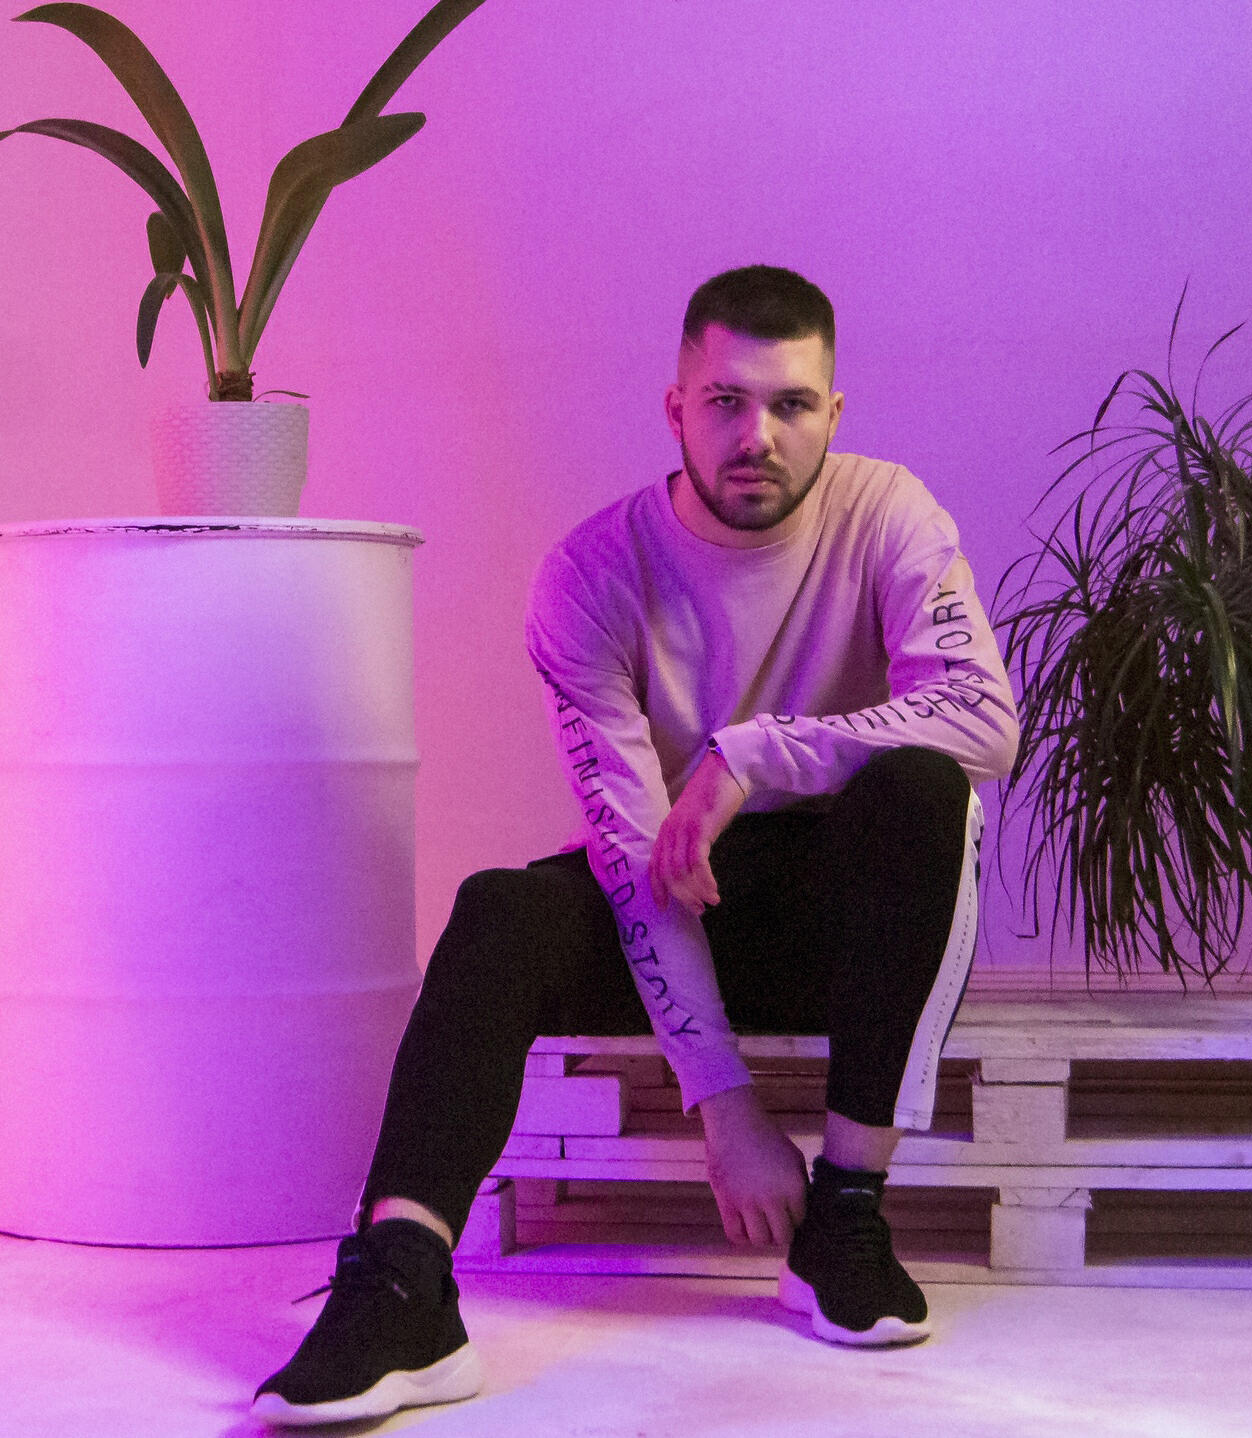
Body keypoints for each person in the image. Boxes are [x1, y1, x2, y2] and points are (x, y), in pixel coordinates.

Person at [251, 264, 1019, 1426]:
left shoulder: (886, 513)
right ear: (675, 408)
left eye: (790, 404)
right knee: (501, 907)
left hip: (853, 920)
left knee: (920, 789)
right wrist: (726, 1106)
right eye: (724, 402)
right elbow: (629, 854)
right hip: (673, 899)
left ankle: (846, 1214)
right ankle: (400, 1286)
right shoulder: (591, 574)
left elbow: (982, 718)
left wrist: (749, 754)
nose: (756, 436)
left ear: (832, 412)